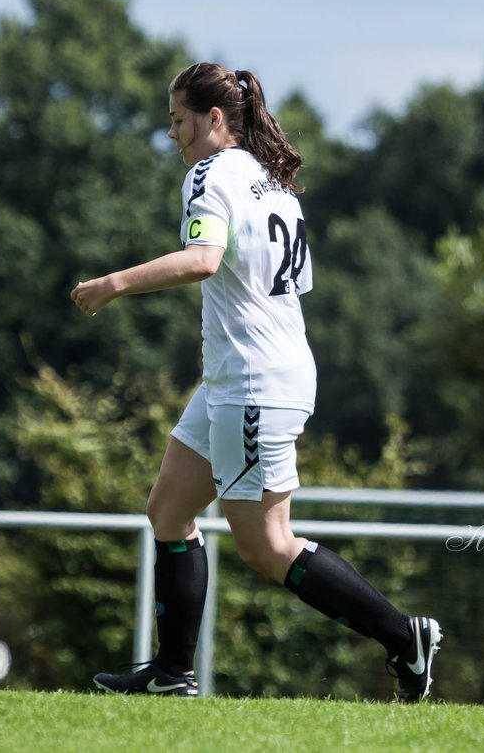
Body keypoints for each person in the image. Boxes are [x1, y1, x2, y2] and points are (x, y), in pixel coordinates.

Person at [70, 62, 441, 701]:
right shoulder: (270, 178)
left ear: (214, 120)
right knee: (168, 510)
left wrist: (114, 283)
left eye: (179, 121)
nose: (172, 135)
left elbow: (203, 260)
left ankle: (404, 638)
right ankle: (173, 673)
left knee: (268, 545)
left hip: (253, 381)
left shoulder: (209, 174)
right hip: (245, 374)